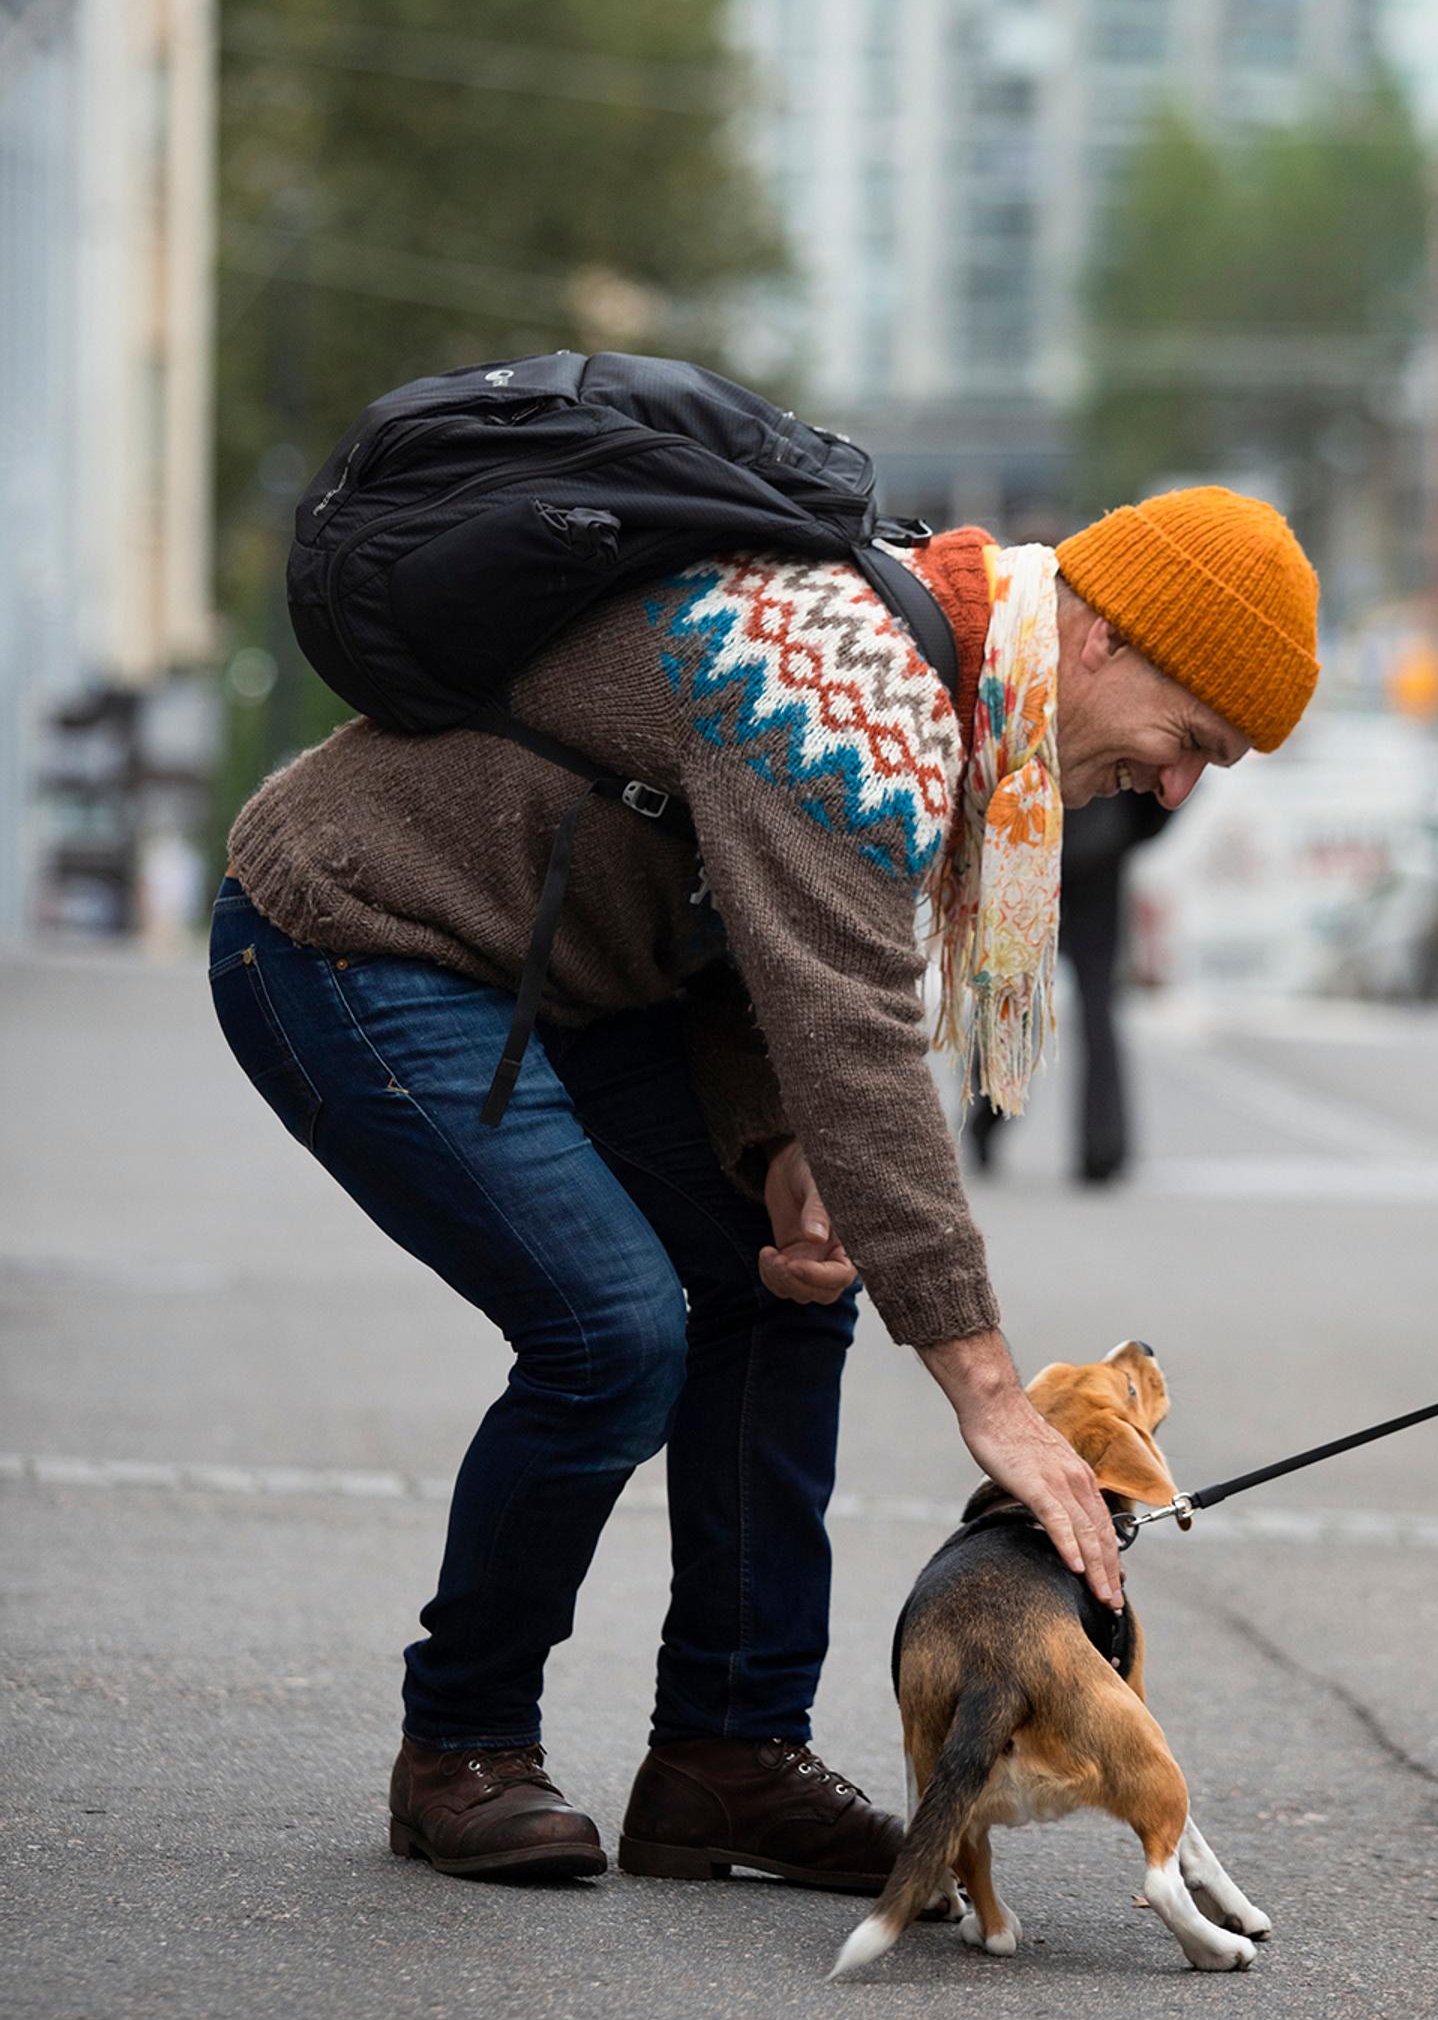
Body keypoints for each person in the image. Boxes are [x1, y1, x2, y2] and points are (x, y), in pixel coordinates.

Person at [208, 484, 1318, 1892]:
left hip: (569, 974)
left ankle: (726, 1758)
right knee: (612, 1334)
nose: (1175, 790)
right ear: (1103, 640)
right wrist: (990, 1393)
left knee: (792, 1279)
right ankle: (462, 1744)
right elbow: (854, 1031)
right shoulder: (864, 686)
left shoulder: (958, 674)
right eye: (1192, 742)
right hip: (358, 935)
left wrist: (777, 1146)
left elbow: (750, 929)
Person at [966, 786, 1171, 1185]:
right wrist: (1129, 829)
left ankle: (990, 1114)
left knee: (1012, 992)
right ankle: (1103, 1144)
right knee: (1093, 1000)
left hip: (1032, 836)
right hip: (1093, 842)